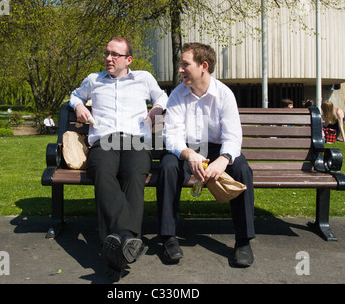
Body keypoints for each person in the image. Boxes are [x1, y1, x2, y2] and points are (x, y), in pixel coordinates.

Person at [69, 37, 168, 278]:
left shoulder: (143, 78)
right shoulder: (94, 79)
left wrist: (157, 109)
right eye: (106, 53)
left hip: (136, 141)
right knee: (103, 173)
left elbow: (163, 97)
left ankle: (115, 249)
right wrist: (78, 107)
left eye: (115, 54)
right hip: (105, 140)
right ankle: (128, 238)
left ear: (128, 60)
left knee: (135, 175)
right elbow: (75, 96)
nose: (108, 58)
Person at [156, 43, 255, 267]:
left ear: (204, 66)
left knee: (241, 169)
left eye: (185, 64)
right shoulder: (177, 95)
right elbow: (171, 135)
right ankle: (168, 238)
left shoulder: (224, 94)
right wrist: (189, 154)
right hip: (186, 148)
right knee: (168, 167)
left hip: (217, 149)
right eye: (180, 64)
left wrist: (224, 159)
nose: (180, 69)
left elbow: (232, 136)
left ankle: (244, 241)